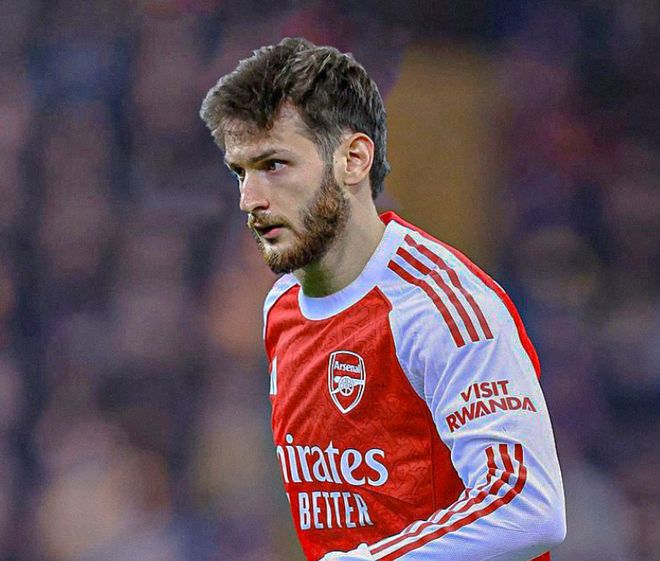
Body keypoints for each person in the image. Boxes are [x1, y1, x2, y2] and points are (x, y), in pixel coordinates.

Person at [200, 37, 566, 561]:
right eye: (242, 172)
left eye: (275, 165)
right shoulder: (282, 306)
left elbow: (529, 507)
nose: (249, 200)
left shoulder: (442, 306)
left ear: (353, 159)